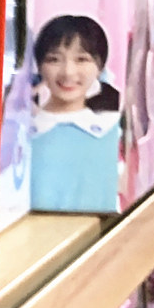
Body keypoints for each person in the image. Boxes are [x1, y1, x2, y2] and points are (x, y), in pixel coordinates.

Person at [30, 14, 121, 213]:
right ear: (39, 67)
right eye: (54, 59)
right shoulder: (23, 132)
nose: (68, 72)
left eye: (82, 59)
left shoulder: (112, 128)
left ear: (100, 67)